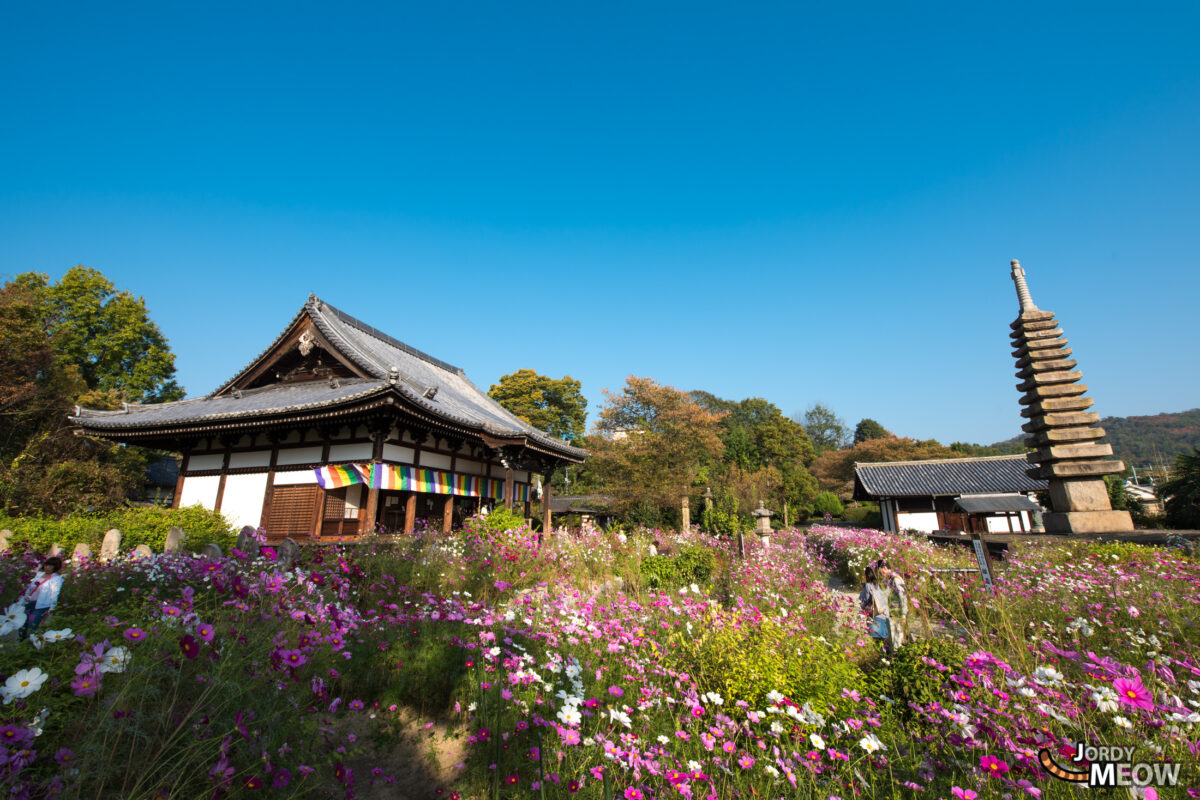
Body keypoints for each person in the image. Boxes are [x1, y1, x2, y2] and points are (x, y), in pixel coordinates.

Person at [859, 559, 907, 653]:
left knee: (890, 644)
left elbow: (902, 597)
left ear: (884, 568)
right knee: (891, 642)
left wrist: (903, 615)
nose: (879, 573)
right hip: (890, 615)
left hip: (893, 615)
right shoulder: (888, 580)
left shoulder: (895, 580)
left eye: (879, 570)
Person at [18, 556, 64, 641]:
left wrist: (51, 608)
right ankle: (21, 642)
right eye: (47, 565)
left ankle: (30, 644)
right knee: (22, 624)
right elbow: (29, 588)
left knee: (32, 625)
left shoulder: (56, 578)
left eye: (51, 566)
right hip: (30, 602)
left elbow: (54, 593)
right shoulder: (38, 574)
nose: (48, 567)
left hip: (41, 605)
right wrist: (21, 601)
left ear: (55, 567)